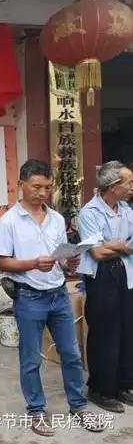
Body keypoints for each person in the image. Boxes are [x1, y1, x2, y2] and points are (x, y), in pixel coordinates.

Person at [0, 159, 103, 436]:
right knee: (31, 359)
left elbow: (59, 260)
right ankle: (37, 412)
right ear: (22, 185)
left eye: (47, 187)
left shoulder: (56, 219)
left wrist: (70, 264)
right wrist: (32, 264)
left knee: (71, 354)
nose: (43, 193)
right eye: (36, 187)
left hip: (59, 296)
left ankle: (78, 406)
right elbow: (3, 263)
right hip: (29, 298)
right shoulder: (8, 221)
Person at [77, 160, 133, 413]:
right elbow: (98, 253)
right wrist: (122, 246)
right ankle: (100, 388)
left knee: (127, 330)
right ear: (113, 186)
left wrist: (118, 246)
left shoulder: (127, 210)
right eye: (129, 182)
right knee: (105, 333)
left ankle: (123, 384)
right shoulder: (89, 213)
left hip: (127, 274)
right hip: (102, 277)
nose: (132, 186)